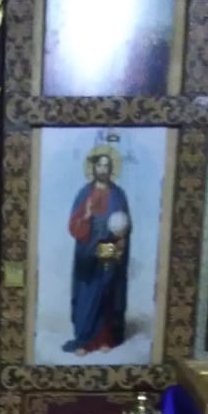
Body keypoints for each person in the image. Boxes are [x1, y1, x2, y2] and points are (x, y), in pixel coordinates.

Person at [62, 147, 131, 356]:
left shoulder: (118, 194)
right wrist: (86, 215)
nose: (103, 169)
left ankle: (104, 339)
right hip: (87, 249)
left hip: (109, 247)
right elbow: (73, 226)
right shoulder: (85, 194)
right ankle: (84, 340)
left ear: (111, 169)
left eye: (106, 165)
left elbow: (126, 225)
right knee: (87, 293)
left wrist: (121, 237)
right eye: (100, 165)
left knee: (106, 291)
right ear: (94, 168)